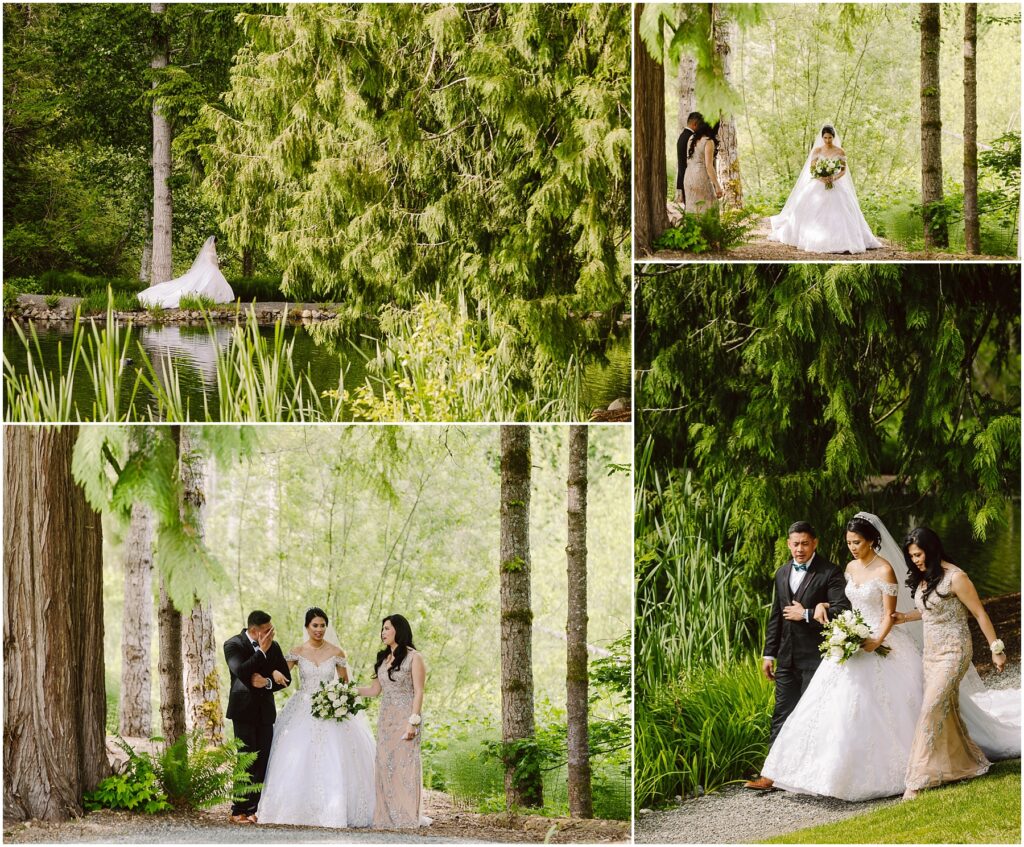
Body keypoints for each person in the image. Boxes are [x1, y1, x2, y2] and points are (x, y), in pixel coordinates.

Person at [758, 514, 924, 800]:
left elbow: (888, 614)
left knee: (879, 706)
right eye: (849, 543)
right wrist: (823, 607)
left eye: (857, 542)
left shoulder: (882, 570)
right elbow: (843, 605)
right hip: (847, 640)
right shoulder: (846, 567)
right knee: (820, 710)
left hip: (876, 640)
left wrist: (875, 641)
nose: (852, 547)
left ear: (872, 540)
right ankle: (787, 771)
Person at [893, 528, 1021, 799]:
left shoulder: (956, 577)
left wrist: (996, 649)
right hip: (931, 653)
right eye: (911, 556)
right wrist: (904, 617)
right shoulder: (925, 578)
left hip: (955, 651)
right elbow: (930, 611)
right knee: (946, 708)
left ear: (931, 548)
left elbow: (979, 613)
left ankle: (915, 781)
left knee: (930, 707)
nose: (915, 560)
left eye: (918, 554)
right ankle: (965, 763)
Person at [743, 521, 850, 791]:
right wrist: (769, 654)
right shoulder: (781, 573)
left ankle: (810, 775)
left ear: (815, 543)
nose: (799, 549)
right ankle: (771, 774)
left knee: (814, 717)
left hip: (817, 658)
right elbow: (776, 617)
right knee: (781, 714)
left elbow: (842, 611)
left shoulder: (830, 572)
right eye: (794, 544)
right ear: (788, 544)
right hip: (786, 657)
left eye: (804, 543)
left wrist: (805, 614)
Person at [256, 607, 376, 827]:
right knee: (295, 753)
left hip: (331, 706)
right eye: (315, 625)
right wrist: (275, 672)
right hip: (303, 707)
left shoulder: (337, 652)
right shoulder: (297, 651)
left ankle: (336, 809)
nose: (319, 630)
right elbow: (280, 671)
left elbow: (345, 684)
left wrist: (338, 700)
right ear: (307, 627)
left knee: (336, 753)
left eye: (322, 625)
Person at [357, 614, 429, 828]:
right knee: (385, 765)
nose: (383, 632)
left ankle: (406, 815)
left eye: (387, 628)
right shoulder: (382, 658)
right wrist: (346, 690)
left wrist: (413, 722)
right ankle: (386, 816)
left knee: (404, 766)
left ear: (399, 629)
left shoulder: (414, 657)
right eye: (382, 629)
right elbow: (373, 690)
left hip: (406, 717)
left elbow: (419, 691)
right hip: (386, 719)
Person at [768, 125, 882, 254]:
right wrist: (822, 179)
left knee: (843, 209)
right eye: (825, 137)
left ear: (834, 137)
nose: (827, 140)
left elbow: (843, 170)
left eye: (830, 137)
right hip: (819, 183)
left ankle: (843, 240)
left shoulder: (840, 151)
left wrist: (833, 177)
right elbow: (812, 170)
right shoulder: (817, 151)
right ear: (822, 137)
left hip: (835, 183)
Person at [223, 610, 291, 824]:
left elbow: (286, 677)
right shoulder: (233, 644)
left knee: (262, 759)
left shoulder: (275, 646)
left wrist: (269, 682)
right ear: (255, 631)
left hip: (265, 711)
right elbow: (241, 671)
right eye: (267, 630)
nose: (272, 632)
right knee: (245, 759)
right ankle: (238, 810)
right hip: (242, 711)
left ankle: (254, 809)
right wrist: (261, 652)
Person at [138, 235, 235, 308]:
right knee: (205, 284)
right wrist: (216, 267)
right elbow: (212, 262)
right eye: (215, 243)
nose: (215, 245)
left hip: (210, 269)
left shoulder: (207, 252)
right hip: (211, 269)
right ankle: (214, 298)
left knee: (206, 284)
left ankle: (212, 298)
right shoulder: (211, 252)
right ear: (214, 243)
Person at [683, 118, 725, 213]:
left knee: (693, 208)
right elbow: (709, 166)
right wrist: (717, 186)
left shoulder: (691, 138)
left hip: (688, 176)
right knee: (709, 207)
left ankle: (693, 228)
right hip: (700, 177)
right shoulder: (708, 141)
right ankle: (707, 228)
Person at [674, 111, 702, 206]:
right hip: (689, 179)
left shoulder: (682, 136)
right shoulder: (690, 138)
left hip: (684, 178)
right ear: (695, 124)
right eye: (700, 126)